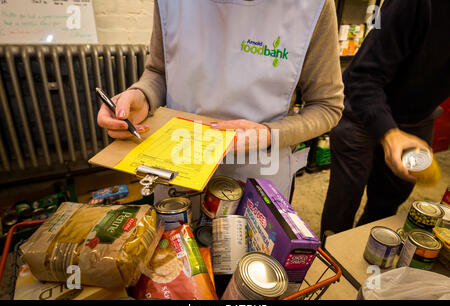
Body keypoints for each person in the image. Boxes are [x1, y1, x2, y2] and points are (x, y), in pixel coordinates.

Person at [97, 0, 344, 202]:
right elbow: (159, 71)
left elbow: (327, 106)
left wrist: (268, 134)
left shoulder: (312, 7)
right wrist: (142, 95)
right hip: (178, 164)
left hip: (258, 172)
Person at [320, 0, 450, 242]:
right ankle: (331, 257)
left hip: (416, 118)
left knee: (388, 203)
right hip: (361, 110)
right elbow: (363, 75)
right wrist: (389, 133)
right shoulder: (417, 6)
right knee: (344, 200)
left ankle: (367, 257)